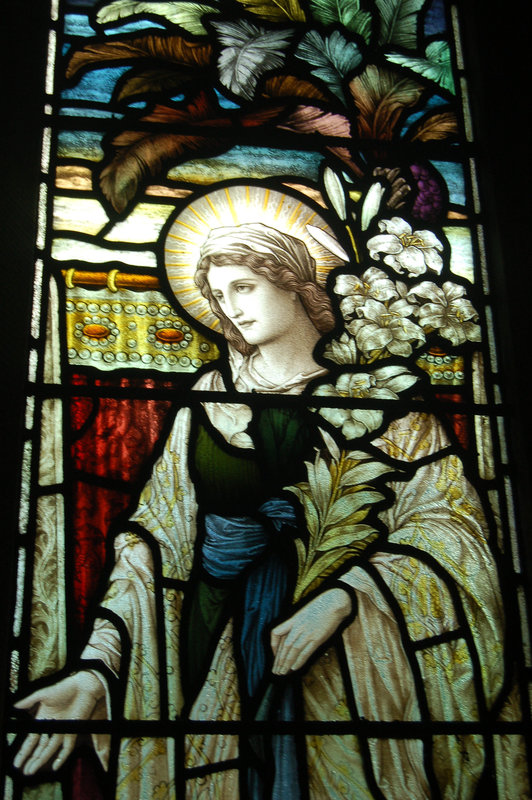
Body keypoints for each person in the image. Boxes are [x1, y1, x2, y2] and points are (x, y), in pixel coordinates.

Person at [14, 215, 507, 799]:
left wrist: (350, 595)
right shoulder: (209, 399)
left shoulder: (386, 398)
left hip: (337, 667)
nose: (231, 308)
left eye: (244, 287)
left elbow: (449, 527)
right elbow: (151, 545)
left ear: (295, 284)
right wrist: (98, 671)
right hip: (204, 645)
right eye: (218, 295)